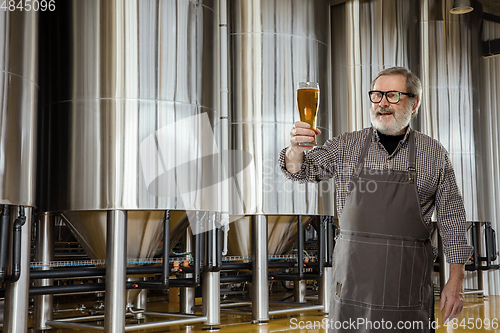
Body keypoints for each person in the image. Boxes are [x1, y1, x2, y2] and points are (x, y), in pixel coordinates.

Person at [279, 67, 472, 332]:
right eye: (377, 95)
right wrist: (294, 150)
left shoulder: (434, 153)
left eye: (393, 95)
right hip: (351, 291)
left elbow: (452, 218)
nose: (382, 102)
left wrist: (456, 278)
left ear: (414, 104)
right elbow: (301, 170)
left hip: (407, 289)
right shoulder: (346, 145)